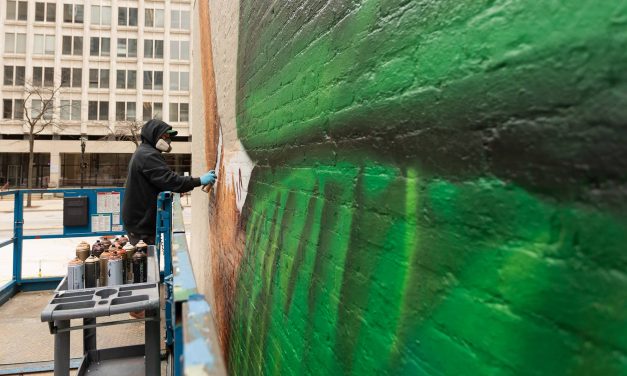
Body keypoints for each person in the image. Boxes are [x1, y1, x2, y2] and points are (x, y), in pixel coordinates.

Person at [122, 119, 216, 245]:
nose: (169, 141)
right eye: (165, 136)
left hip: (139, 224)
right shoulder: (148, 155)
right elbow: (171, 180)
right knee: (147, 262)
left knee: (149, 261)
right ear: (153, 135)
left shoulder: (144, 152)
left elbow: (159, 181)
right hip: (142, 227)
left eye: (169, 137)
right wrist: (199, 180)